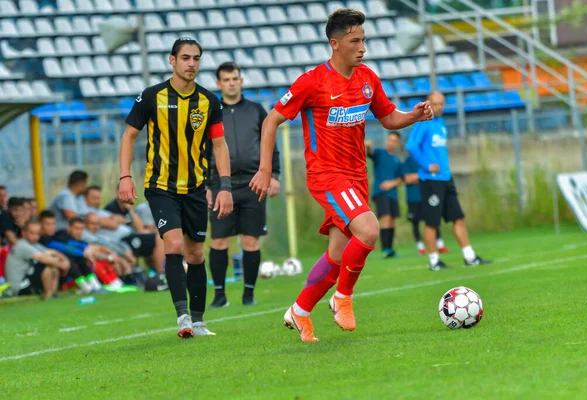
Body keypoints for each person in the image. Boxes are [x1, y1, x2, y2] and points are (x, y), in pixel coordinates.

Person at [249, 8, 433, 342]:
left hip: (356, 177)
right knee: (369, 228)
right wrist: (264, 169)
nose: (362, 47)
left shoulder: (367, 79)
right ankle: (342, 298)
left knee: (337, 255)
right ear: (335, 44)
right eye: (354, 41)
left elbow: (389, 118)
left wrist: (414, 116)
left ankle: (300, 311)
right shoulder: (312, 82)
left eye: (364, 39)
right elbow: (271, 120)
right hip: (327, 175)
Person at [118, 37, 233, 339]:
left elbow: (219, 144)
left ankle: (198, 320)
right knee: (173, 245)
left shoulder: (209, 101)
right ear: (172, 61)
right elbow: (129, 136)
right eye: (185, 58)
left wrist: (225, 187)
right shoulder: (151, 96)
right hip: (161, 187)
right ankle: (182, 316)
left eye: (196, 58)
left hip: (195, 188)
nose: (191, 63)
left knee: (195, 254)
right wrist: (124, 177)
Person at [207, 62, 282, 308]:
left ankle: (248, 294)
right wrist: (207, 185)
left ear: (241, 81)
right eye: (226, 79)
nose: (231, 83)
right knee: (219, 241)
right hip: (221, 186)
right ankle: (219, 295)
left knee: (251, 241)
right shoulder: (209, 111)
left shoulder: (256, 110)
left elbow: (270, 143)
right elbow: (202, 150)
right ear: (218, 84)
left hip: (253, 183)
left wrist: (274, 175)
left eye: (235, 78)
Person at [405, 92, 491, 271]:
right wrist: (426, 165)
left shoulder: (441, 123)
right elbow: (411, 146)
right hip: (431, 180)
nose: (439, 107)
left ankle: (470, 257)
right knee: (432, 222)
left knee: (458, 218)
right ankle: (434, 261)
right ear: (429, 105)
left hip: (446, 178)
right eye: (436, 104)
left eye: (441, 104)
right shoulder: (424, 122)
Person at [4, 221, 69, 299]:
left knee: (53, 264)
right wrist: (63, 265)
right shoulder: (22, 245)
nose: (35, 236)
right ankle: (48, 296)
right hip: (19, 286)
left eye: (37, 234)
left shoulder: (35, 245)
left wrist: (66, 261)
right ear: (24, 233)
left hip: (28, 281)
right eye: (32, 233)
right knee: (47, 265)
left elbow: (54, 253)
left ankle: (53, 295)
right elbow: (45, 259)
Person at [365, 131, 403, 258]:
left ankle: (391, 249)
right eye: (389, 139)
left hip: (393, 194)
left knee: (392, 221)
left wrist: (391, 183)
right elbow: (370, 152)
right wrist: (368, 146)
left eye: (393, 140)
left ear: (397, 143)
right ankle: (385, 249)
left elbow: (400, 179)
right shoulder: (380, 153)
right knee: (385, 219)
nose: (390, 142)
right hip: (381, 193)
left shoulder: (397, 160)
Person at [401, 153, 448, 255]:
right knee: (415, 223)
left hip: (427, 195)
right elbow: (408, 179)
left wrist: (418, 177)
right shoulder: (408, 161)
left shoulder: (427, 158)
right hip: (414, 197)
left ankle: (440, 245)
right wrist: (425, 176)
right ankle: (420, 247)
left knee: (433, 219)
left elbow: (436, 174)